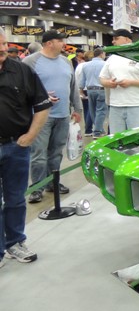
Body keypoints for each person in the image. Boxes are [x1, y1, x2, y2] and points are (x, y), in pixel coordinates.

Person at [0, 29, 51, 265]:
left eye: (3, 43)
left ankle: (15, 243)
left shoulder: (22, 71)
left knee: (15, 198)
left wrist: (31, 135)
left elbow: (42, 105)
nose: (2, 48)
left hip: (15, 147)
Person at [23, 30, 82, 203]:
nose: (64, 44)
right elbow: (22, 88)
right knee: (39, 154)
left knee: (56, 153)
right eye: (60, 41)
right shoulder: (30, 62)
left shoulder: (65, 62)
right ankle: (37, 188)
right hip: (40, 118)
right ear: (49, 43)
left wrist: (77, 108)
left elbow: (72, 86)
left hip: (63, 115)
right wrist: (41, 96)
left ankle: (53, 183)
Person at [99, 29, 139, 133]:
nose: (113, 42)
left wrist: (131, 82)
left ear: (127, 40)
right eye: (113, 39)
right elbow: (102, 78)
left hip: (137, 106)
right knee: (116, 138)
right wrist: (108, 83)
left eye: (116, 39)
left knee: (137, 137)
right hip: (115, 106)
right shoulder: (112, 58)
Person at [79, 48, 108, 138]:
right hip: (101, 89)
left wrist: (81, 92)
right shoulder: (105, 64)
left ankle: (100, 130)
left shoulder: (85, 65)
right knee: (101, 111)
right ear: (101, 54)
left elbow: (82, 80)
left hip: (89, 90)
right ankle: (97, 132)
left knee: (92, 110)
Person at [75, 50, 93, 136]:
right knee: (91, 109)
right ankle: (88, 128)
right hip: (89, 88)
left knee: (86, 109)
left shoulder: (79, 66)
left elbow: (76, 77)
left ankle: (88, 128)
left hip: (81, 90)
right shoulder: (90, 66)